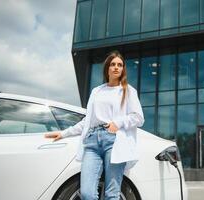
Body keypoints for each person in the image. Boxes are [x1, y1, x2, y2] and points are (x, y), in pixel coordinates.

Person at [45, 50, 144, 200]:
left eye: (120, 65)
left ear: (123, 69)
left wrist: (117, 123)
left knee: (112, 193)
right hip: (92, 141)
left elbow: (138, 117)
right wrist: (64, 133)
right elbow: (87, 121)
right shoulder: (97, 91)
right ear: (107, 68)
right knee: (87, 193)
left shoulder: (128, 91)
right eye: (113, 64)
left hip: (114, 141)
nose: (116, 67)